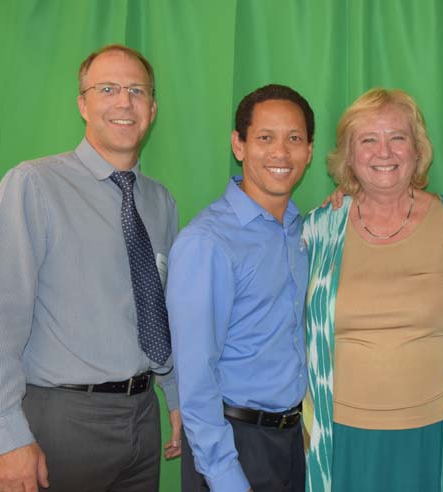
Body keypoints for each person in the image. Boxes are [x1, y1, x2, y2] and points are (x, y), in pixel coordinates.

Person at [0, 44, 182, 492]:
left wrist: (174, 396)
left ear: (152, 108)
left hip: (143, 419)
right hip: (63, 421)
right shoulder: (34, 185)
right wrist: (6, 437)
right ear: (83, 103)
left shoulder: (160, 203)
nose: (124, 101)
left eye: (137, 90)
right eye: (108, 88)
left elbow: (160, 308)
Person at [304, 88, 443, 492]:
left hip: (433, 435)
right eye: (368, 140)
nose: (384, 152)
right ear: (349, 156)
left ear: (418, 151)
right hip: (341, 436)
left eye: (397, 138)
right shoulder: (318, 229)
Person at [166, 84, 313, 492]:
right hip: (231, 445)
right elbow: (195, 377)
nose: (281, 152)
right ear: (239, 144)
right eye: (265, 138)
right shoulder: (208, 242)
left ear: (310, 151)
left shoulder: (302, 232)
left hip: (290, 443)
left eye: (294, 139)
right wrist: (226, 477)